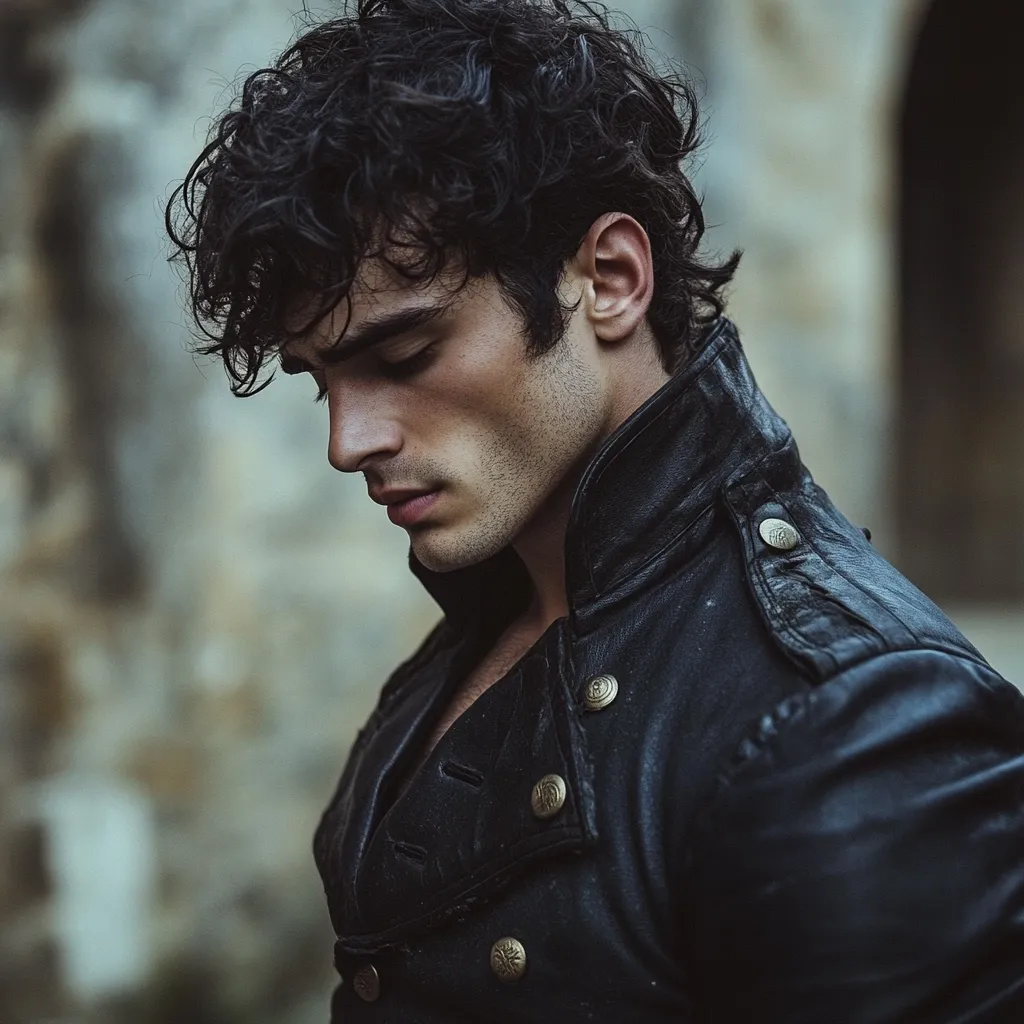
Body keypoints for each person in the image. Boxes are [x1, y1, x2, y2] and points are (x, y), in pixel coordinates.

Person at [165, 1, 1024, 1020]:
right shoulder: (502, 607)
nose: (347, 442)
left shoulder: (852, 718)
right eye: (321, 383)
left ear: (608, 279)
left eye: (404, 358)